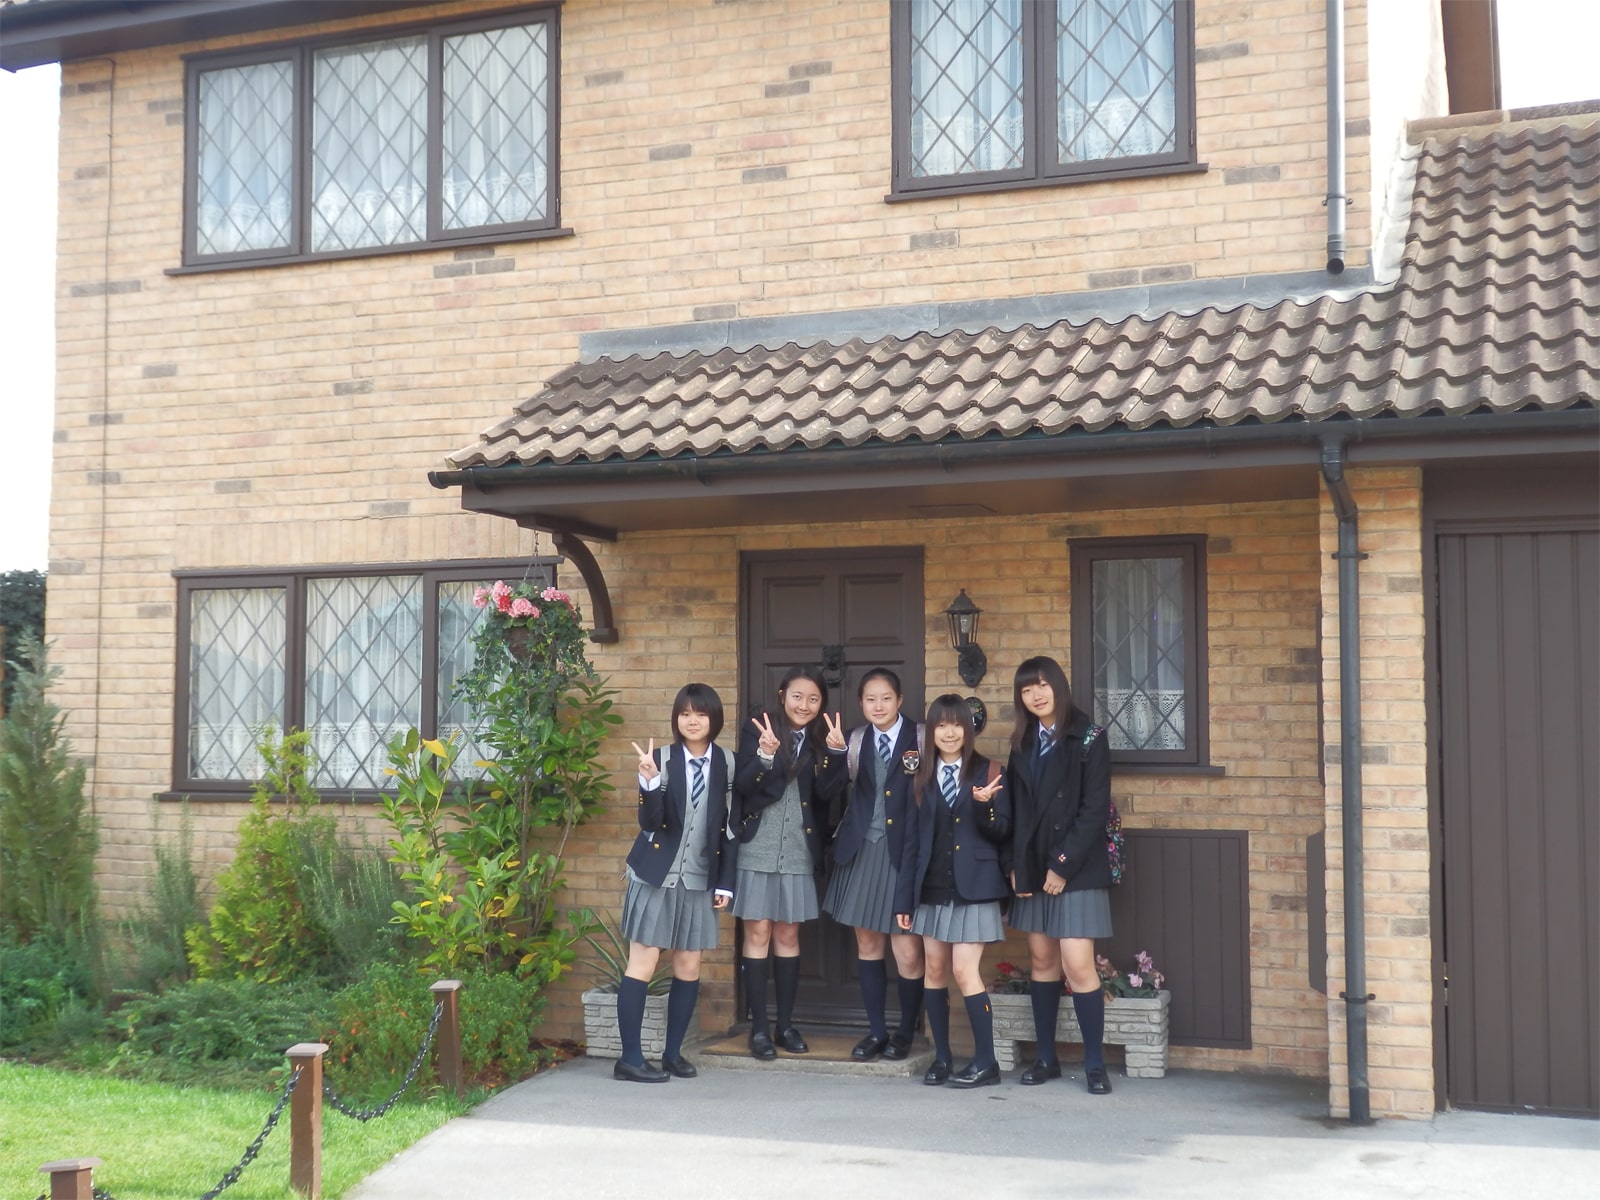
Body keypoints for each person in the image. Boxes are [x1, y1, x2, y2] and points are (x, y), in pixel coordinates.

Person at [613, 683, 737, 1083]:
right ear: (676, 718)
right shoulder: (660, 759)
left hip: (700, 878)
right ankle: (630, 1059)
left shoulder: (728, 763)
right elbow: (650, 822)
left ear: (714, 719)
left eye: (700, 713)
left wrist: (726, 882)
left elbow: (730, 828)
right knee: (643, 962)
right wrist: (649, 783)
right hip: (655, 876)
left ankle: (672, 1055)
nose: (692, 720)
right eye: (685, 713)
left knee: (688, 965)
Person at [1003, 655, 1115, 1095]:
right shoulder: (1022, 743)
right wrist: (1015, 865)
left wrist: (1062, 865)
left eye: (1043, 685)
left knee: (1078, 963)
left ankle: (1094, 1064)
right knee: (1042, 961)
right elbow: (1015, 811)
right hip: (1033, 867)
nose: (1036, 695)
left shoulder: (1089, 736)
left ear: (1059, 686)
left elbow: (1094, 809)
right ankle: (1046, 1058)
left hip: (1077, 868)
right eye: (1027, 689)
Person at [894, 694, 1010, 1088]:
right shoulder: (919, 776)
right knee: (935, 970)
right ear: (931, 731)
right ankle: (941, 1058)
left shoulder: (990, 771)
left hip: (975, 889)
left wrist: (984, 806)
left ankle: (986, 1062)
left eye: (956, 724)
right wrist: (904, 899)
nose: (949, 732)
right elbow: (911, 843)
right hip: (931, 889)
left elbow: (1002, 831)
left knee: (964, 970)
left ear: (968, 729)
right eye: (941, 725)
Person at [733, 665, 846, 1060]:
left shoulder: (822, 738)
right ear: (782, 695)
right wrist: (765, 755)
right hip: (757, 847)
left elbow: (829, 794)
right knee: (757, 933)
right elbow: (743, 785)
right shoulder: (758, 729)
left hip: (798, 849)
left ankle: (784, 1025)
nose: (804, 705)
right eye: (797, 696)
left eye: (813, 699)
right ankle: (759, 1029)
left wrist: (836, 754)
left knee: (787, 935)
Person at [821, 668, 927, 1061]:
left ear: (899, 700)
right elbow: (828, 791)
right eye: (870, 699)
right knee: (868, 945)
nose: (878, 706)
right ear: (861, 703)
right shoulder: (853, 740)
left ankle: (906, 1033)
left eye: (885, 698)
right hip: (862, 850)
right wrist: (834, 755)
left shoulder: (922, 737)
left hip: (905, 853)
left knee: (907, 951)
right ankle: (877, 1032)